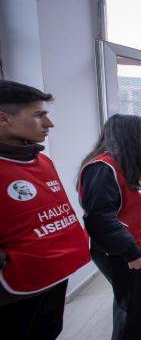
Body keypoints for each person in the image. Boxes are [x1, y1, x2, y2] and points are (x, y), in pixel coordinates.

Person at [0, 80, 90, 339]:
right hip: (14, 288)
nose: (49, 123)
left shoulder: (41, 160)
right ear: (4, 118)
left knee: (49, 330)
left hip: (54, 274)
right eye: (39, 115)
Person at [78, 114, 141, 340]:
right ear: (129, 136)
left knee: (139, 301)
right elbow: (100, 219)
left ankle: (140, 333)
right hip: (121, 251)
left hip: (138, 245)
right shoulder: (103, 168)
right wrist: (130, 252)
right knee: (133, 304)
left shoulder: (133, 161)